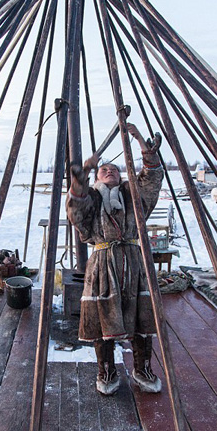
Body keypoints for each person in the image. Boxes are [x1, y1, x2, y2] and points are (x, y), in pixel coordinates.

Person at [66, 123, 164, 396]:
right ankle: (106, 370)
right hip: (102, 263)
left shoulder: (133, 196)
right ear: (97, 177)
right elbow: (75, 209)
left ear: (121, 176)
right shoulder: (91, 198)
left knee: (142, 316)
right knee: (102, 318)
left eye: (114, 169)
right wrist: (83, 173)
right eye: (104, 170)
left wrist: (140, 142)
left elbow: (152, 179)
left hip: (133, 261)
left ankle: (142, 368)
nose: (109, 171)